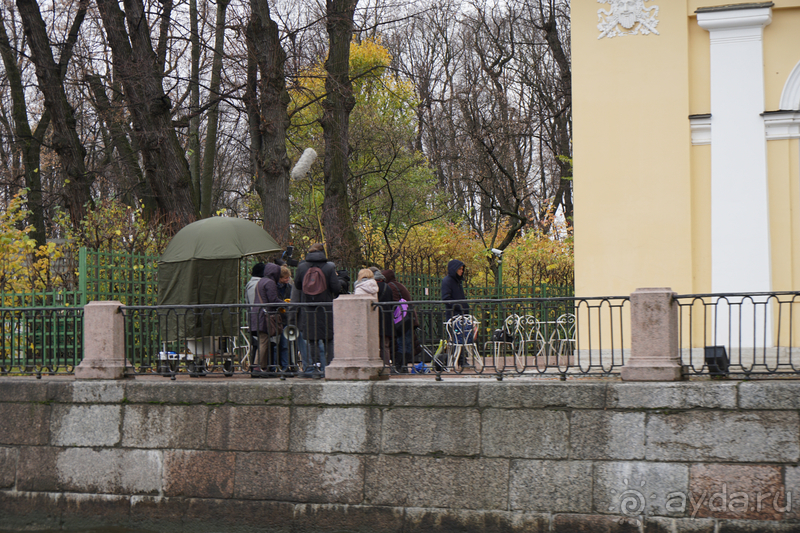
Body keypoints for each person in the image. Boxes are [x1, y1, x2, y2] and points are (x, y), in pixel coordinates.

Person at [294, 243, 343, 376]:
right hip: (325, 308)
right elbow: (336, 288)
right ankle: (329, 367)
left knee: (311, 339)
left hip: (308, 308)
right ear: (323, 252)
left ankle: (315, 367)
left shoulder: (302, 267)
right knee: (329, 339)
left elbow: (298, 285)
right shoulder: (328, 267)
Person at [383, 269, 417, 373]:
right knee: (405, 343)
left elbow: (394, 303)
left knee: (401, 343)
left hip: (402, 320)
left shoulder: (392, 286)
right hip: (408, 318)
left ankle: (400, 367)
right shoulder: (399, 285)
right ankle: (403, 366)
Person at [441, 259, 472, 367]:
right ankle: (460, 360)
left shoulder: (457, 282)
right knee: (457, 339)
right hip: (454, 315)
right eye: (459, 269)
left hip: (461, 315)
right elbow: (446, 298)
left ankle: (461, 360)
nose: (461, 271)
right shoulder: (448, 281)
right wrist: (459, 307)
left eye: (462, 269)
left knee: (462, 338)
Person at [255, 263, 284, 373]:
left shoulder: (261, 281)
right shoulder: (270, 282)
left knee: (263, 340)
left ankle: (261, 366)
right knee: (264, 341)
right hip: (265, 315)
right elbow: (273, 300)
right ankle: (257, 366)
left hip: (258, 314)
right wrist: (285, 303)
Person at [371, 268, 395, 369]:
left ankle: (376, 366)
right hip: (386, 318)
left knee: (373, 344)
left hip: (374, 318)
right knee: (385, 345)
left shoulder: (373, 287)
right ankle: (386, 366)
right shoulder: (387, 287)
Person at [246, 262, 265, 368]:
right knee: (261, 343)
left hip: (253, 317)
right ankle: (257, 367)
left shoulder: (249, 284)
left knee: (256, 343)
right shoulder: (258, 285)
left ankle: (255, 366)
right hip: (259, 318)